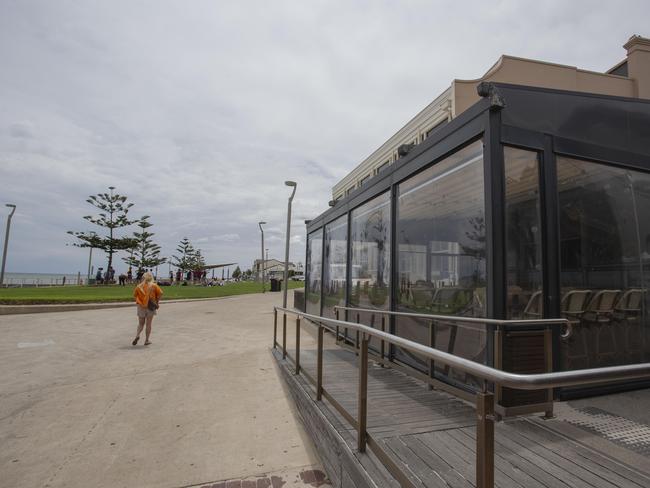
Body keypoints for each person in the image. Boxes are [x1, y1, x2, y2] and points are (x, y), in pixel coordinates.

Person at [132, 272, 163, 346]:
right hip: (150, 306)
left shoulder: (139, 286)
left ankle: (137, 335)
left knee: (140, 323)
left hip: (141, 306)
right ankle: (146, 340)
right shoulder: (154, 286)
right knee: (148, 324)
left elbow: (134, 295)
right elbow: (160, 293)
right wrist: (157, 302)